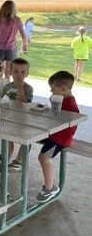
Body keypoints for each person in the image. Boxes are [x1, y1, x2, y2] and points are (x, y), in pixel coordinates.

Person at [36, 71, 79, 202]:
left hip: (60, 138)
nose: (50, 91)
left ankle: (50, 188)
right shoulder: (62, 100)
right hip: (53, 133)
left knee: (43, 157)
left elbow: (70, 126)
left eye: (53, 89)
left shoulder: (70, 105)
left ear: (63, 89)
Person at [0, 57, 33, 170]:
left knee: (27, 140)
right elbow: (2, 101)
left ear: (27, 73)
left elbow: (25, 104)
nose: (19, 74)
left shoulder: (28, 88)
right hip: (9, 118)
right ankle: (5, 160)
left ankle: (19, 160)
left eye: (23, 72)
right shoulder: (7, 87)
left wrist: (20, 88)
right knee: (8, 140)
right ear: (10, 72)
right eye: (16, 71)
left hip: (24, 120)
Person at [0, 0, 28, 80]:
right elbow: (23, 35)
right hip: (11, 48)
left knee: (0, 69)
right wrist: (25, 45)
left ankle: (0, 84)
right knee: (9, 70)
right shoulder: (17, 20)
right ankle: (7, 84)